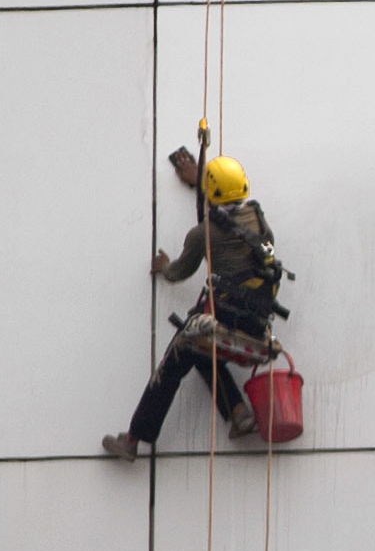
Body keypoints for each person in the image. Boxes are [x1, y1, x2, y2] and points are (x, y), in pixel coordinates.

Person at [105, 149, 286, 459]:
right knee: (201, 351)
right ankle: (239, 413)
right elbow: (228, 219)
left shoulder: (202, 234)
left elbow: (179, 272)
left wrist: (163, 266)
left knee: (173, 362)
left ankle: (134, 439)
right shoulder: (258, 219)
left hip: (222, 318)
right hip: (256, 322)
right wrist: (201, 184)